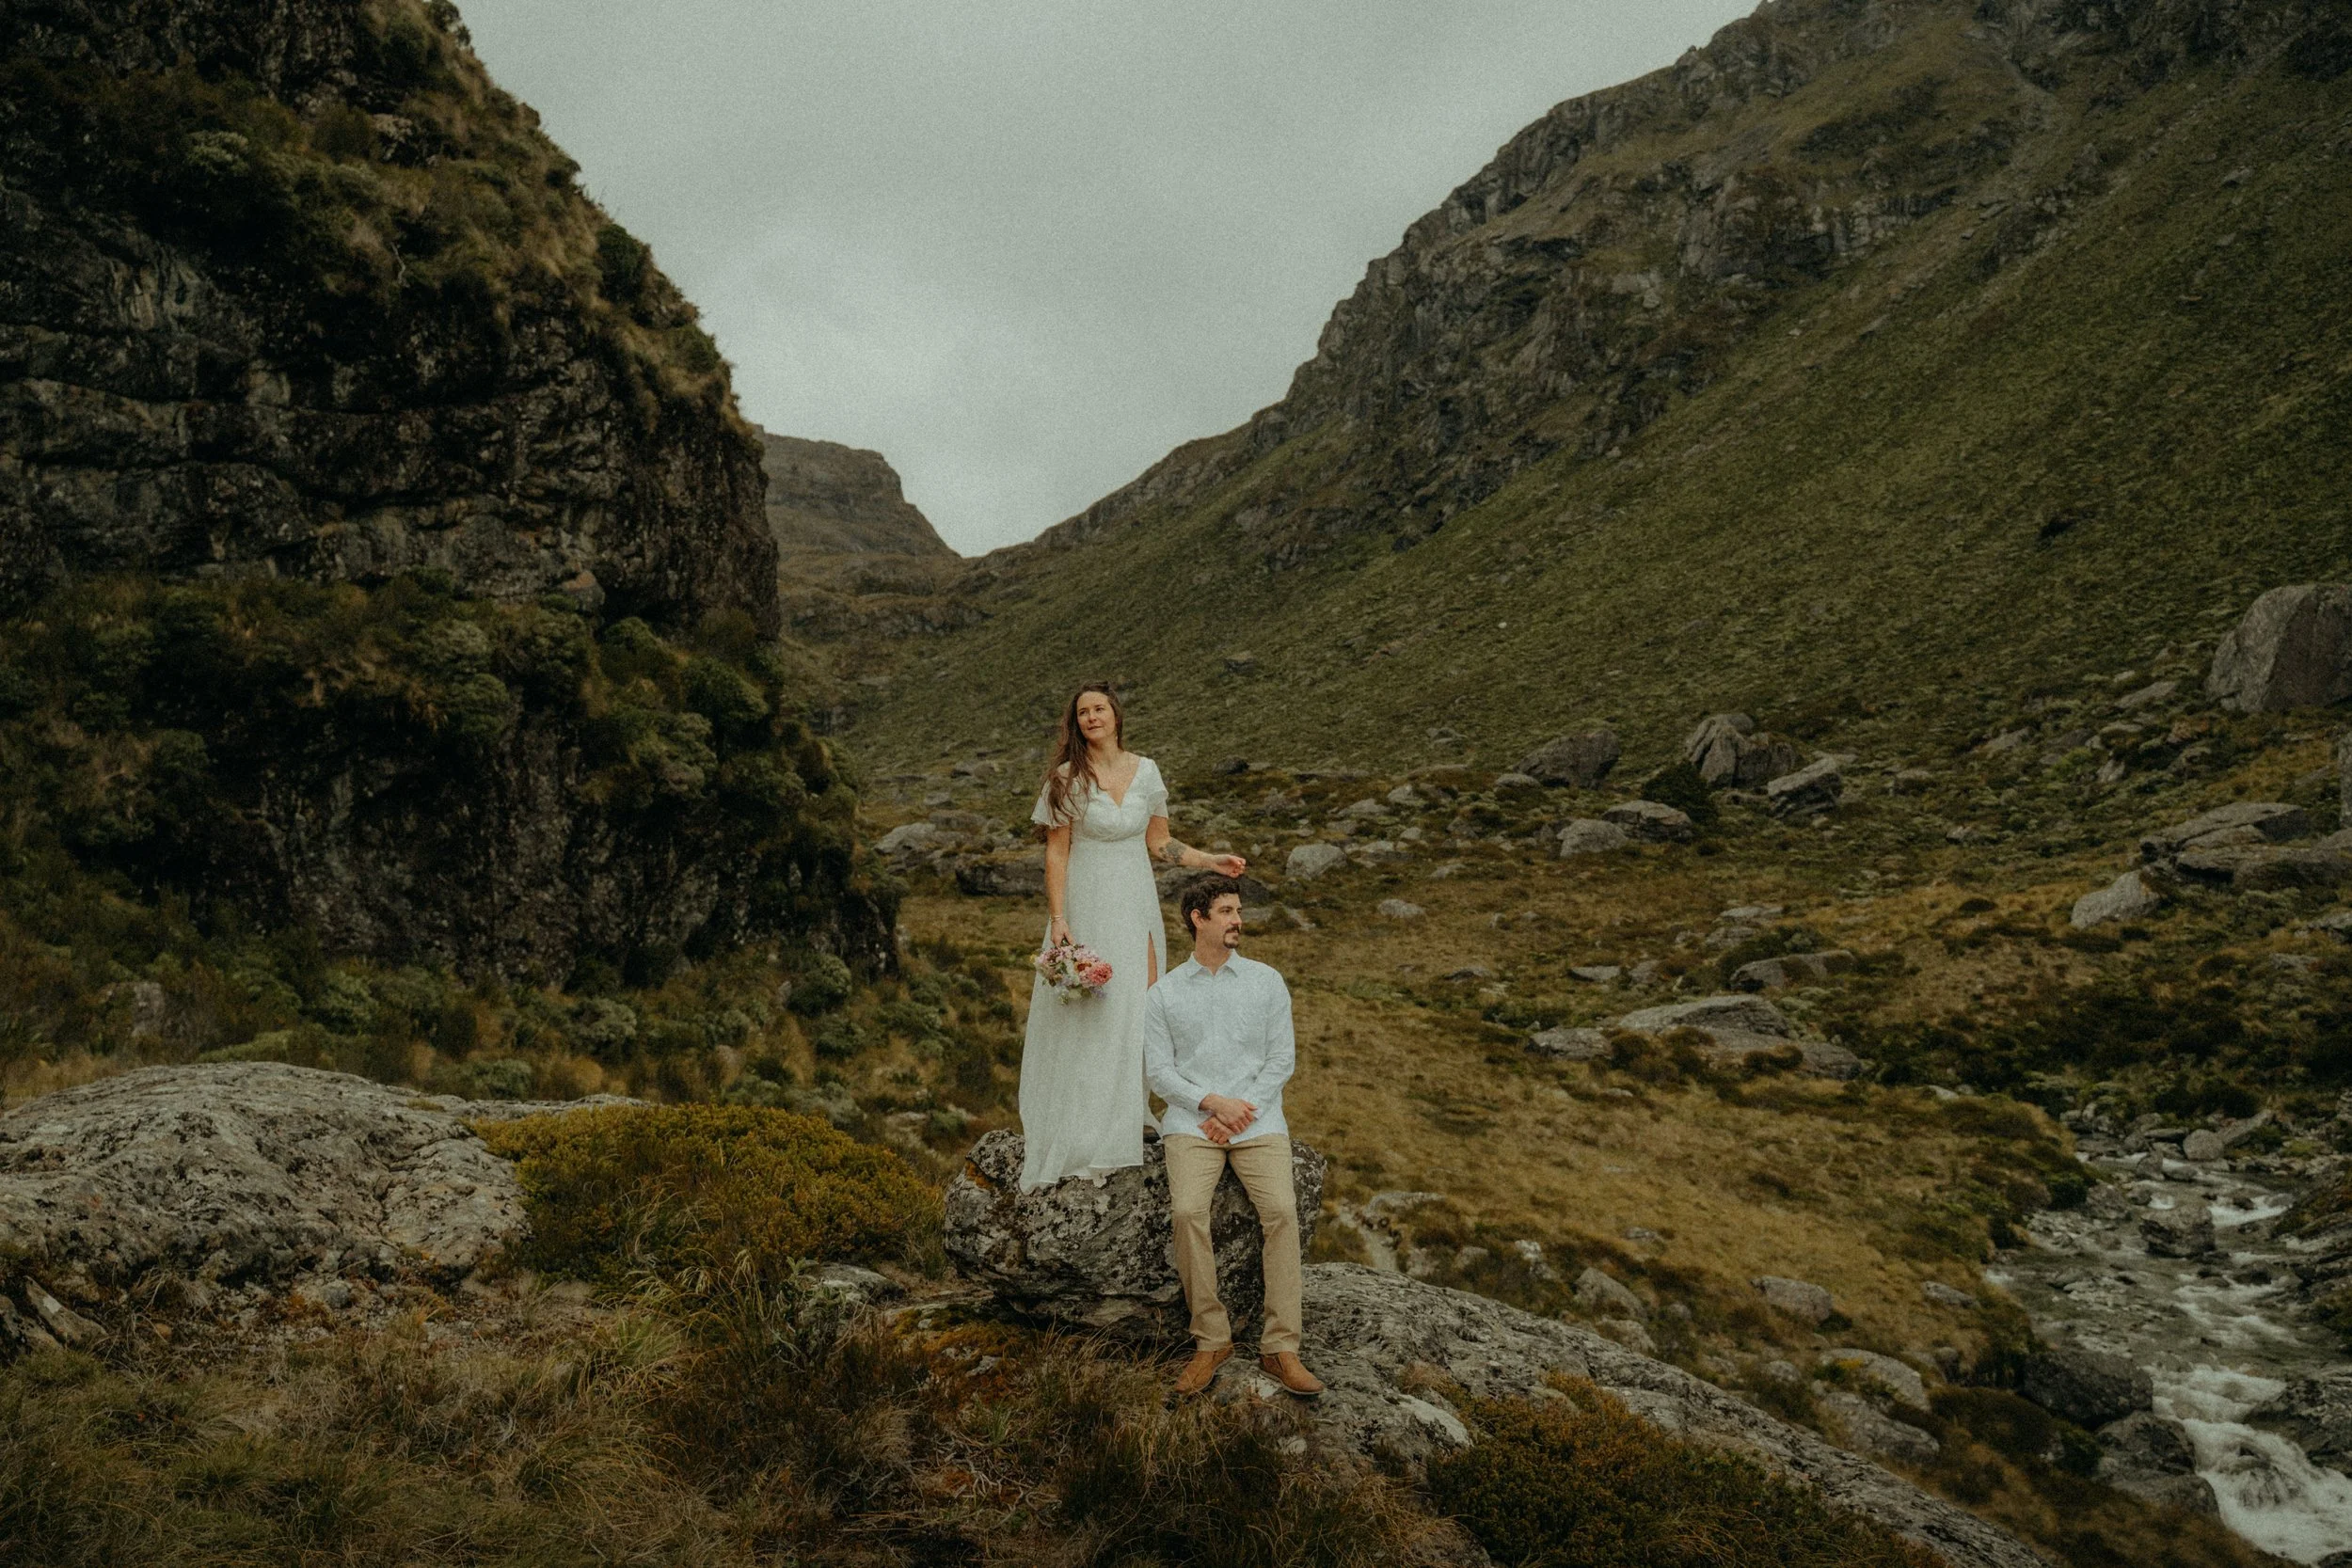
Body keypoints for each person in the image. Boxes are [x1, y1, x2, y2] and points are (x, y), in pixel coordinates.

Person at [1018, 682, 1244, 1193]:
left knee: (1141, 1003)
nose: (1092, 717)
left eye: (1099, 708)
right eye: (1083, 712)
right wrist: (1058, 919)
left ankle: (1131, 1112)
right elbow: (1057, 852)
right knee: (1093, 1005)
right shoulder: (1066, 779)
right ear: (1075, 724)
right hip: (1088, 900)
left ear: (1115, 715)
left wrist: (1210, 860)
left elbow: (1160, 843)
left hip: (1136, 900)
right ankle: (1085, 1123)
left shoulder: (1146, 771)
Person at [1143, 875, 1323, 1399]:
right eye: (1226, 911)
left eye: (1238, 910)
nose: (1237, 920)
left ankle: (1280, 1347)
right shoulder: (1164, 993)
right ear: (1197, 918)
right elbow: (1159, 1073)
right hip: (1191, 1124)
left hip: (1258, 1121)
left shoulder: (1267, 981)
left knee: (1282, 1213)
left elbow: (1281, 1059)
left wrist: (1240, 1111)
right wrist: (1211, 1104)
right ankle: (1211, 1340)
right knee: (1187, 1213)